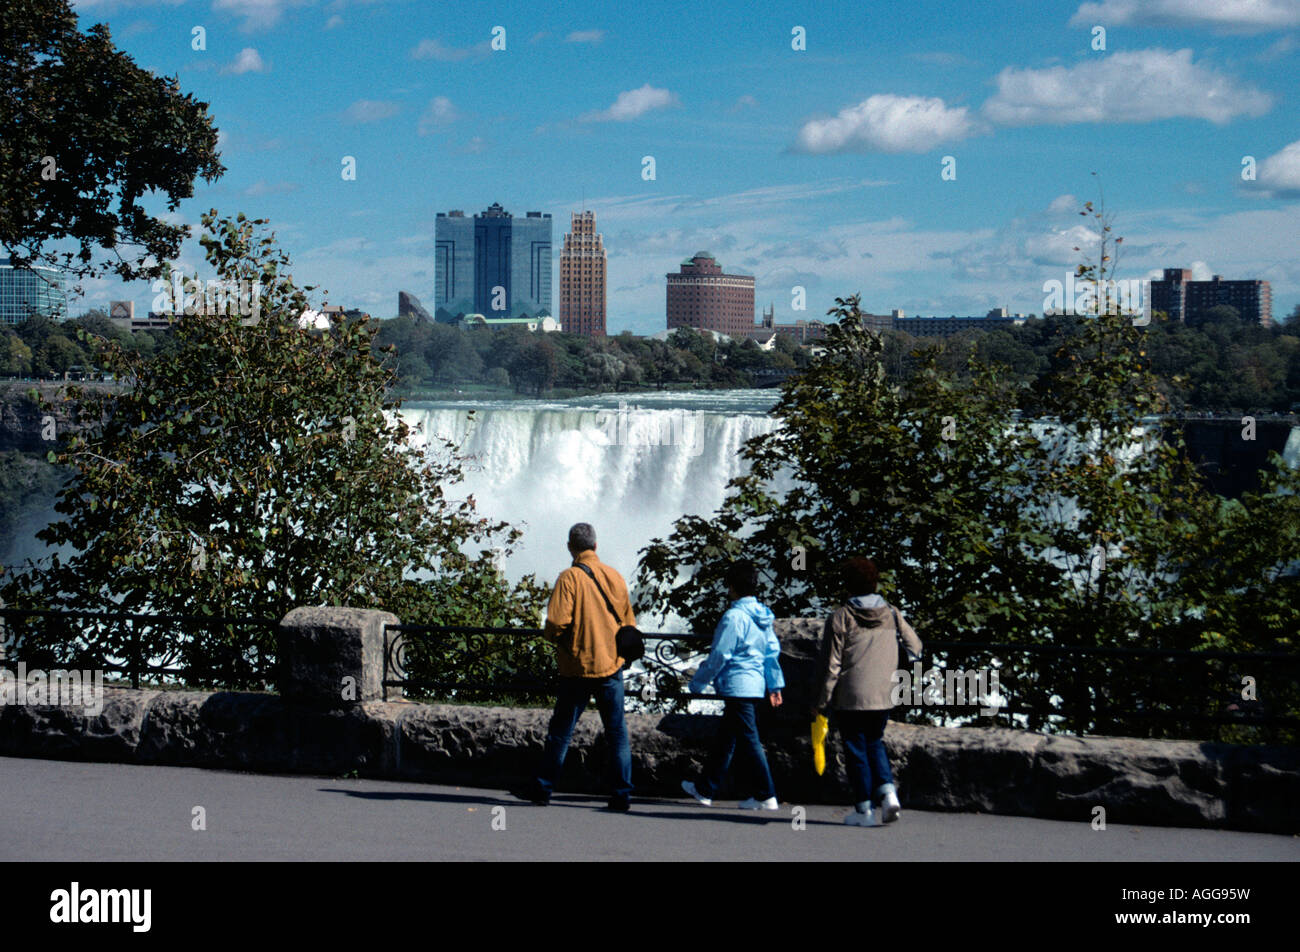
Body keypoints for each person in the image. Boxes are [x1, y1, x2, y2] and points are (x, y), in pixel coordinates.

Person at [514, 522, 636, 812]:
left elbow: (556, 622)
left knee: (561, 731)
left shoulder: (569, 578)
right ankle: (621, 795)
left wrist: (555, 640)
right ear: (595, 546)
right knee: (617, 732)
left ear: (570, 547)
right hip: (611, 665)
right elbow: (629, 622)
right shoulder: (615, 576)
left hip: (577, 667)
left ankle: (543, 789)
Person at [814, 556, 922, 827]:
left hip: (850, 696)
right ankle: (887, 791)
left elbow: (832, 665)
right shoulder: (892, 613)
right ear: (875, 582)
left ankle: (864, 810)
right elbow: (916, 647)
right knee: (875, 742)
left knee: (855, 749)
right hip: (884, 694)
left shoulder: (841, 617)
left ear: (847, 585)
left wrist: (821, 701)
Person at [681, 560, 785, 811]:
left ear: (731, 587)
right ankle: (705, 788)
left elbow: (720, 655)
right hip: (755, 684)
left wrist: (698, 683)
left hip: (737, 684)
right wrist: (774, 685)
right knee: (727, 739)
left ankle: (766, 794)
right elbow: (772, 652)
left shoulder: (734, 617)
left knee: (749, 739)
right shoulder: (763, 616)